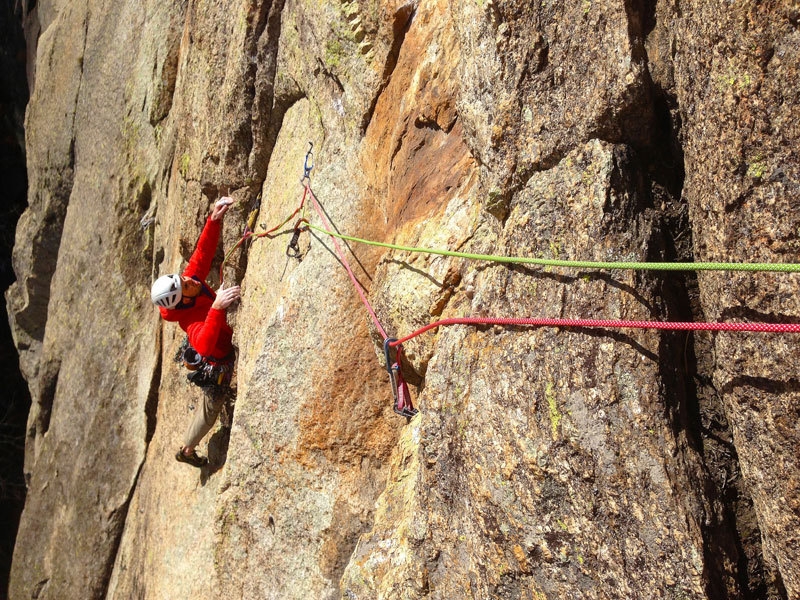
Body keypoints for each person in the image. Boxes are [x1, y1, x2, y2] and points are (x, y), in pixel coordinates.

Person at [150, 197, 241, 467]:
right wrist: (215, 307)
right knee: (212, 405)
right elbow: (202, 344)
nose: (191, 280)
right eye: (186, 286)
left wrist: (214, 219)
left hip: (221, 341)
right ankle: (187, 449)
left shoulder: (186, 284)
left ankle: (187, 447)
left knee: (212, 402)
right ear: (182, 301)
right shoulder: (188, 320)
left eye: (184, 279)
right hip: (217, 359)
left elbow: (202, 254)